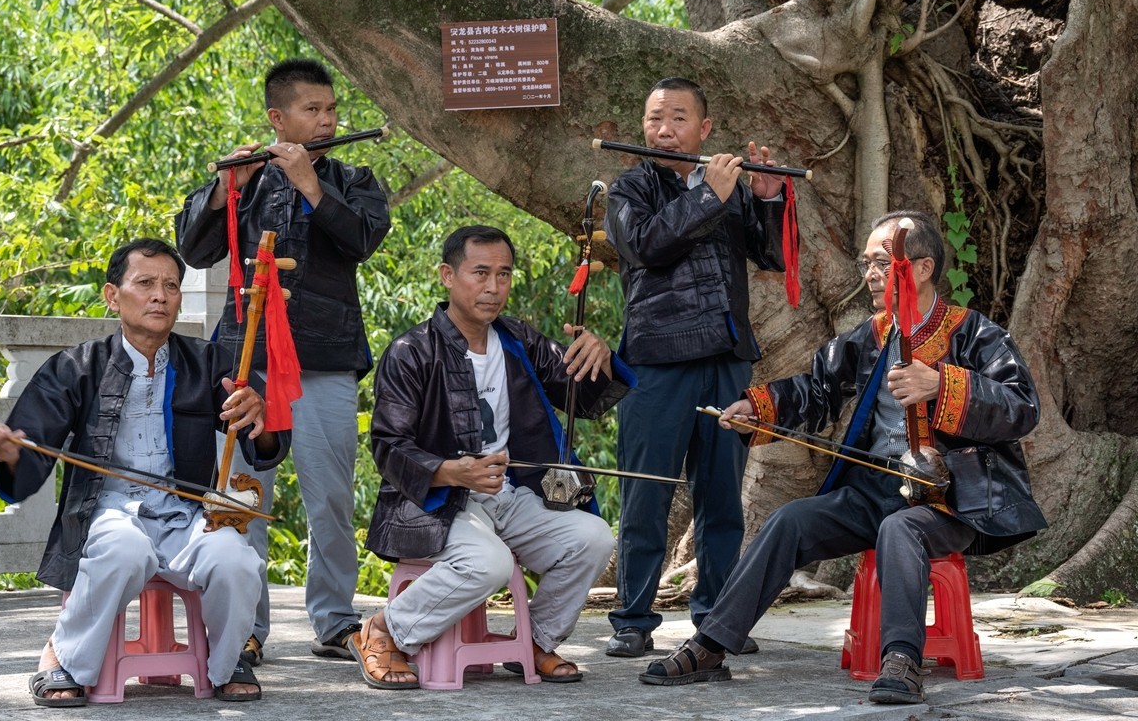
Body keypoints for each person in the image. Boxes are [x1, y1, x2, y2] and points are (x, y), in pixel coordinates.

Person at [639, 210, 1048, 703]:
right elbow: (816, 390)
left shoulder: (975, 334)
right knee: (790, 520)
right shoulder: (871, 335)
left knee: (902, 529)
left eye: (881, 263)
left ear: (921, 267)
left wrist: (942, 384)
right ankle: (710, 645)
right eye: (866, 264)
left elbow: (1022, 407)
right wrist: (758, 408)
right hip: (875, 491)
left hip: (950, 499)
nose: (871, 275)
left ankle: (901, 660)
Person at [0, 238, 289, 706]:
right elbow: (30, 448)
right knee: (123, 550)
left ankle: (226, 664)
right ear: (112, 295)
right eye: (144, 283)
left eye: (170, 286)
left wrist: (260, 417)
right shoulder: (76, 367)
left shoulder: (211, 363)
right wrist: (9, 454)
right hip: (107, 513)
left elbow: (265, 445)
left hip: (185, 514)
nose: (160, 295)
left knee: (237, 559)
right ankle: (65, 657)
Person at [350, 225, 634, 689]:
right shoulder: (411, 351)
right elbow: (387, 445)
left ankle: (535, 640)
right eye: (479, 272)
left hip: (511, 495)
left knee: (593, 538)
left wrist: (598, 356)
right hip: (435, 503)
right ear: (447, 275)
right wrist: (447, 471)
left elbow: (580, 400)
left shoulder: (518, 340)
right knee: (490, 562)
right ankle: (383, 630)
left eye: (503, 274)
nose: (493, 287)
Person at [176, 58, 391, 665]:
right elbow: (193, 248)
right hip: (247, 361)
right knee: (244, 492)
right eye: (311, 111)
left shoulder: (353, 179)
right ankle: (244, 622)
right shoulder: (244, 181)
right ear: (279, 118)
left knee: (329, 497)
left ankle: (333, 618)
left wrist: (311, 186)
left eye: (330, 110)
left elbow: (363, 240)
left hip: (323, 358)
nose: (326, 122)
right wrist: (223, 187)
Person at [603, 76, 788, 657]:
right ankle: (632, 618)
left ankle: (716, 617)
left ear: (704, 129)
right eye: (656, 117)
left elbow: (771, 255)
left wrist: (765, 197)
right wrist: (708, 194)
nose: (665, 129)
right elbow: (648, 248)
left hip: (725, 358)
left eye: (679, 118)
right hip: (657, 361)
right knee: (647, 494)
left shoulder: (727, 184)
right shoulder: (628, 188)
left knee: (721, 496)